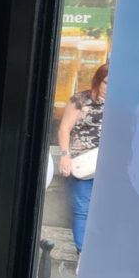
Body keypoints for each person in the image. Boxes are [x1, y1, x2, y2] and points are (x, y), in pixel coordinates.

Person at [58, 62, 108, 255]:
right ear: (97, 81)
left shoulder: (116, 102)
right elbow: (64, 128)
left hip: (107, 163)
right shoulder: (81, 100)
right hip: (83, 160)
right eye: (104, 83)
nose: (107, 88)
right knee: (82, 207)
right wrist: (65, 155)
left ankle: (99, 249)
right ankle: (83, 251)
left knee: (104, 208)